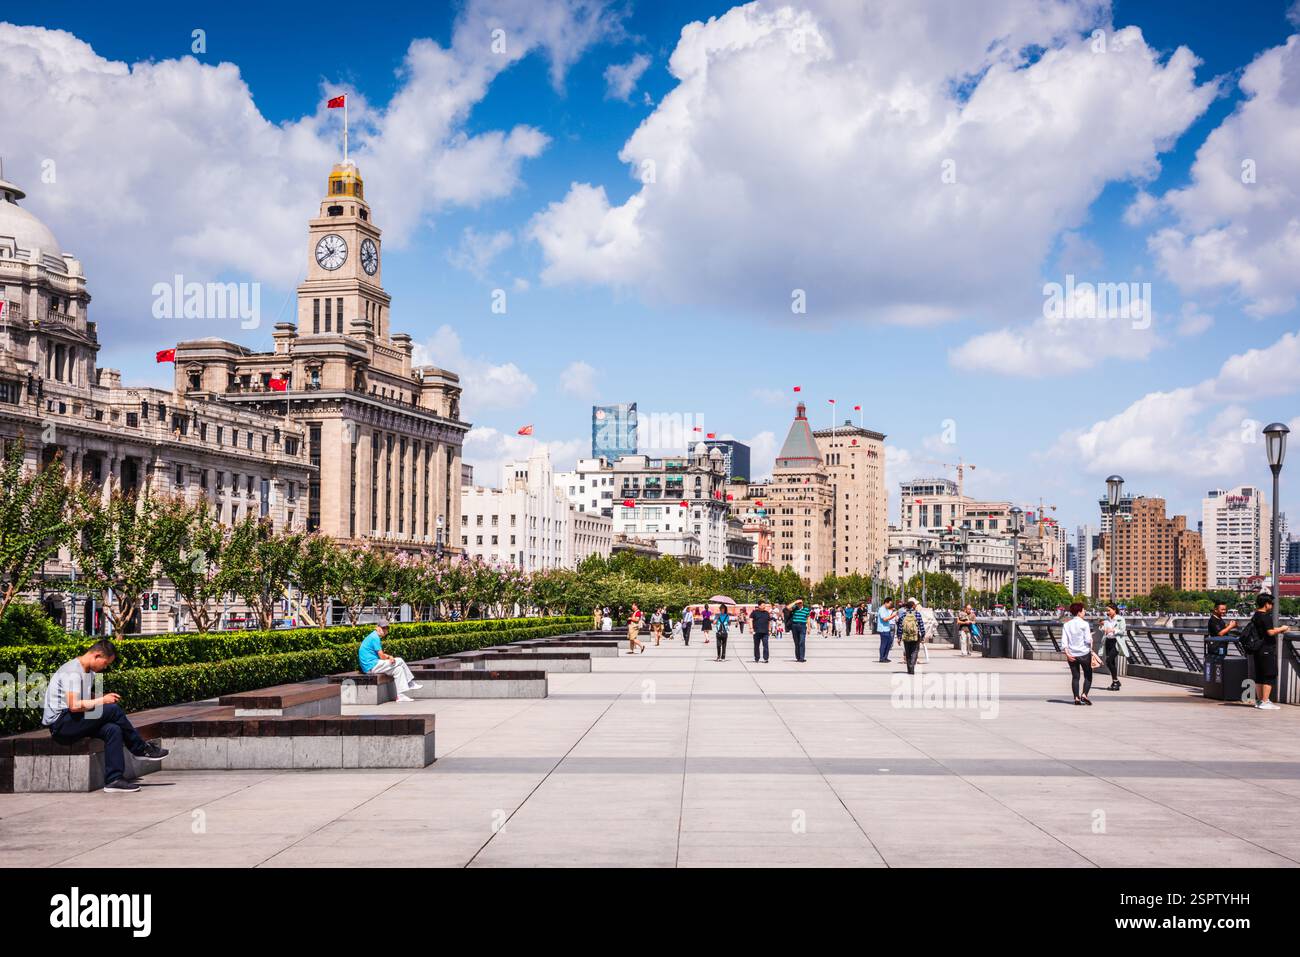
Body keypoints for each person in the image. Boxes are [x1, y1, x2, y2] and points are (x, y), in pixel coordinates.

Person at [43, 639, 169, 793]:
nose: (105, 667)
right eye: (105, 663)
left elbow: (85, 699)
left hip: (74, 721)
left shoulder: (89, 672)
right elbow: (74, 706)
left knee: (113, 729)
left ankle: (114, 780)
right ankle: (140, 749)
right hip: (61, 725)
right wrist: (103, 700)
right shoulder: (73, 672)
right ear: (97, 656)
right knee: (113, 709)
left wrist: (101, 697)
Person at [1246, 593, 1290, 710]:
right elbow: (1270, 632)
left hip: (1258, 649)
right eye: (1271, 604)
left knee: (1260, 675)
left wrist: (1277, 630)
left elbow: (1265, 630)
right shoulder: (1266, 616)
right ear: (1266, 604)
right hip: (1266, 649)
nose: (1272, 606)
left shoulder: (1256, 615)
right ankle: (1265, 701)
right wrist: (1282, 629)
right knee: (1269, 674)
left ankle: (1260, 701)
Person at [359, 619, 422, 701]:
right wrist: (389, 657)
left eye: (386, 628)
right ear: (377, 628)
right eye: (383, 628)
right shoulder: (375, 637)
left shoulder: (373, 636)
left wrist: (389, 656)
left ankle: (400, 696)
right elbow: (381, 656)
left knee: (398, 670)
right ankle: (410, 682)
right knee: (399, 660)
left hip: (373, 665)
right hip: (371, 666)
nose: (385, 630)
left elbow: (381, 655)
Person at [1062, 602, 1094, 705]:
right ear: (1079, 612)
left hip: (1072, 654)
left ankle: (1076, 698)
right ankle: (1084, 695)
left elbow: (1064, 641)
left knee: (1075, 677)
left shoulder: (1067, 624)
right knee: (1088, 675)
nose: (1084, 612)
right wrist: (1091, 640)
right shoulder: (1085, 624)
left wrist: (1067, 653)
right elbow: (1088, 640)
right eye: (1083, 610)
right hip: (1084, 653)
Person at [1099, 603, 1129, 691]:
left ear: (1114, 610)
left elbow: (1123, 631)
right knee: (1111, 662)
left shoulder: (1120, 619)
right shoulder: (1107, 620)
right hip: (1108, 642)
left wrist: (1113, 630)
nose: (1107, 612)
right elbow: (1103, 630)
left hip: (1116, 642)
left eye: (1109, 610)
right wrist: (1101, 626)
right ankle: (1115, 682)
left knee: (1108, 661)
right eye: (1107, 610)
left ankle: (1115, 681)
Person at [897, 600, 926, 674]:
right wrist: (923, 635)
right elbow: (921, 626)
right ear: (913, 606)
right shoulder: (917, 614)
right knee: (915, 651)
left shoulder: (903, 615)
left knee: (907, 652)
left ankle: (909, 669)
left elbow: (900, 627)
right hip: (915, 636)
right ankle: (912, 666)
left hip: (906, 636)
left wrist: (899, 637)